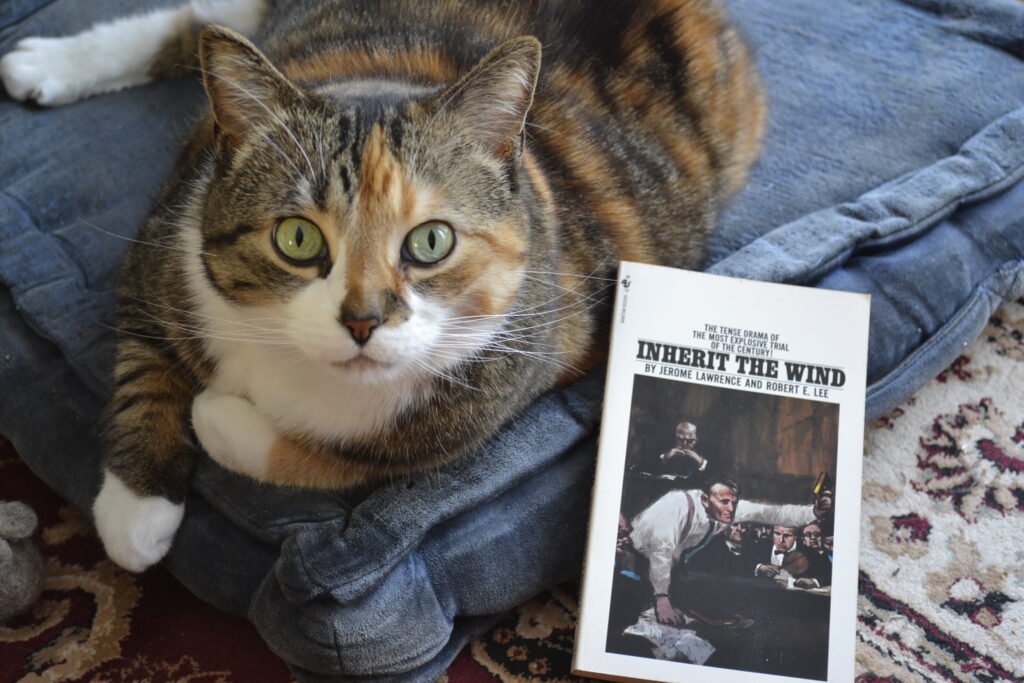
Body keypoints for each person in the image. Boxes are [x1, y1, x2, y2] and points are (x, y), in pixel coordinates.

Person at [629, 477, 817, 626]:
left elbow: (772, 513)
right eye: (725, 502)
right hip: (637, 561)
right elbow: (661, 553)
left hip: (669, 568)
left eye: (734, 502)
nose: (731, 509)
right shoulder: (673, 508)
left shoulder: (723, 507)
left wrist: (814, 512)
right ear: (705, 499)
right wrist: (662, 599)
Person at [687, 521, 757, 577]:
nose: (739, 529)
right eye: (735, 524)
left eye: (743, 526)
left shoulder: (751, 549)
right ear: (725, 527)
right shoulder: (712, 549)